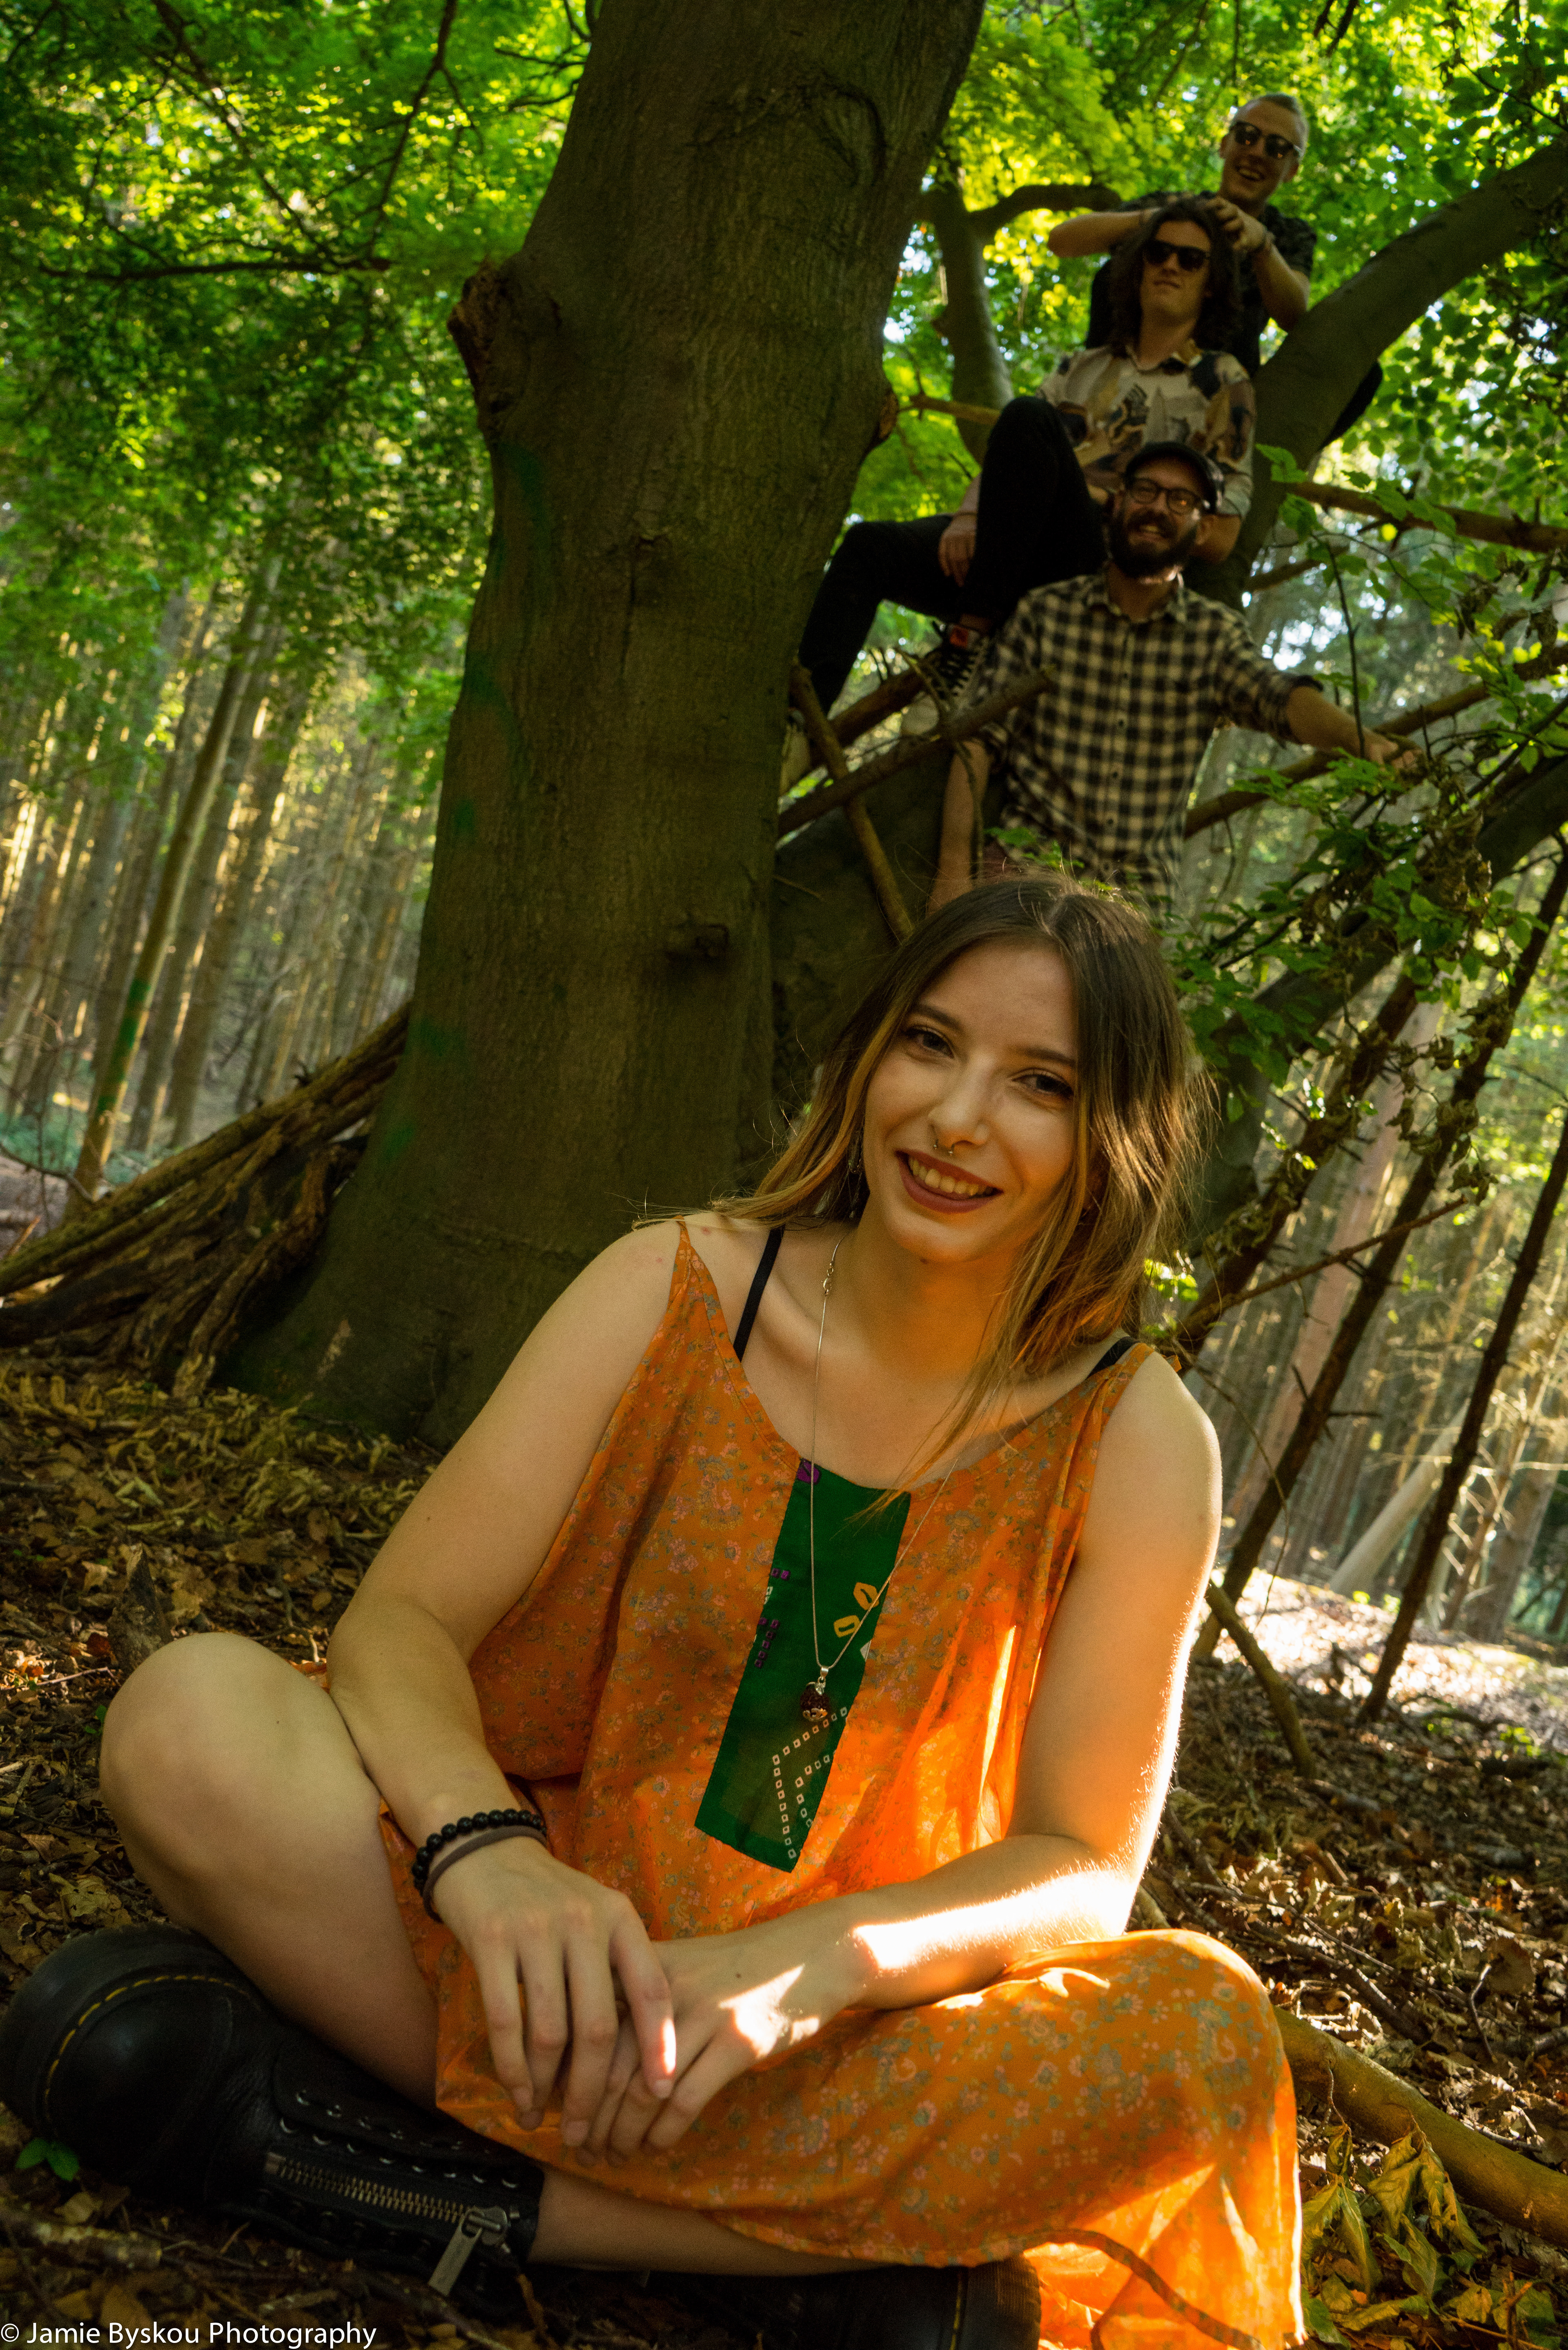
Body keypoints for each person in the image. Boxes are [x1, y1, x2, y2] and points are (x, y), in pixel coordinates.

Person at [0, 876, 1304, 2350]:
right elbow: (403, 1621)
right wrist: (488, 1860)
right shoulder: (675, 1285)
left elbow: (1079, 1864)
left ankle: (456, 2188)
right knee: (186, 1716)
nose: (956, 1117)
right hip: (534, 1944)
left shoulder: (1137, 1442)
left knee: (1204, 2032)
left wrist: (820, 1966)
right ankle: (827, 2252)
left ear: (1113, 1137)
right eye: (930, 1044)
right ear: (867, 1057)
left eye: (1040, 1084)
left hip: (834, 2029)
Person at [790, 199, 1252, 754]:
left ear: (1212, 284)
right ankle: (795, 732)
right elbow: (1013, 450)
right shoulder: (1081, 366)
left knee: (1030, 418)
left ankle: (965, 646)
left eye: (1190, 259)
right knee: (870, 547)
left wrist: (1109, 498)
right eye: (1158, 252)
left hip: (1094, 573)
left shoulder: (1223, 382)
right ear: (1138, 267)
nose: (1170, 265)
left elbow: (1220, 538)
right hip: (1005, 552)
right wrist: (969, 516)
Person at [931, 442, 1406, 912]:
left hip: (1134, 903)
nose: (1158, 508)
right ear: (1119, 502)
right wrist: (953, 875)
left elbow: (1277, 698)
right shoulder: (1046, 613)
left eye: (1181, 501)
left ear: (1203, 529)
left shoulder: (1213, 636)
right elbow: (978, 741)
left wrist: (1362, 741)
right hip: (1025, 876)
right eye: (1146, 491)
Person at [1053, 94, 1380, 443]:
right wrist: (1156, 222)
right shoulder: (1172, 207)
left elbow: (1295, 315)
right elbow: (1062, 240)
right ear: (1225, 145)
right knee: (1115, 273)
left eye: (1278, 148)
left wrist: (1262, 246)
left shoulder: (1286, 235)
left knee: (1364, 371)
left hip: (1217, 394)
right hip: (1121, 375)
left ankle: (1248, 452)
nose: (1257, 153)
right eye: (1247, 136)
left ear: (1292, 171)